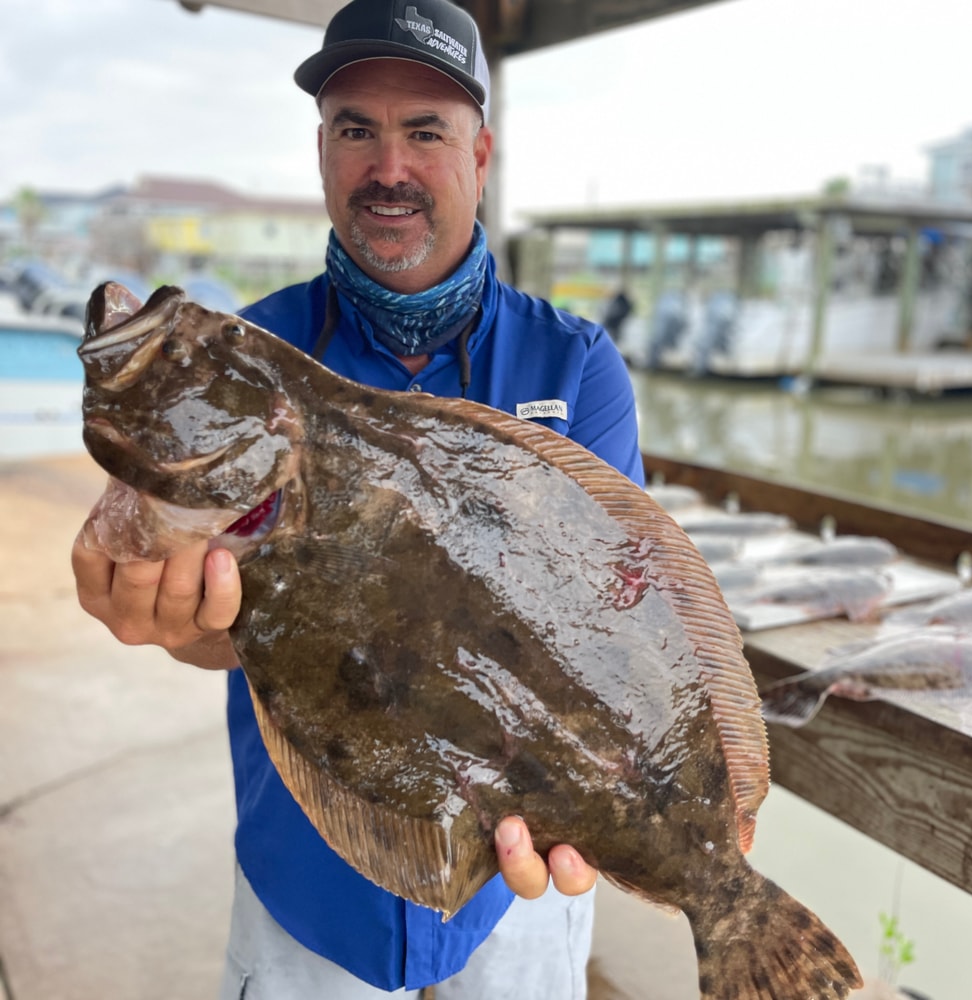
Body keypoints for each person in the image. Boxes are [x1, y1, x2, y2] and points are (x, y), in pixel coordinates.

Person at [72, 1, 644, 996]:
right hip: (309, 886)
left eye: (425, 131)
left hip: (516, 892)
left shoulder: (577, 363)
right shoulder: (247, 352)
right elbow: (235, 626)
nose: (389, 169)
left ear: (481, 152)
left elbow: (615, 625)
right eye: (356, 130)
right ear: (322, 150)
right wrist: (175, 619)